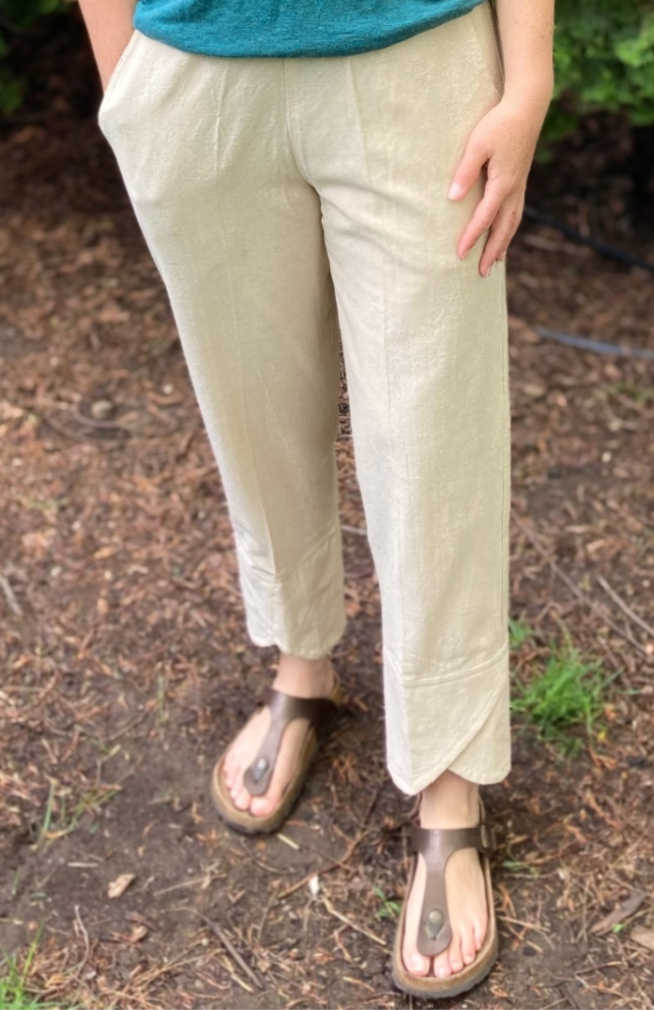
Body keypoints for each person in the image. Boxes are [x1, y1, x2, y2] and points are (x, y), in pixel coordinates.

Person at [78, 0, 554, 998]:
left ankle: (450, 770)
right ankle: (301, 660)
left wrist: (528, 81)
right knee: (252, 408)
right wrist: (128, 86)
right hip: (193, 65)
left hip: (415, 60)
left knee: (433, 439)